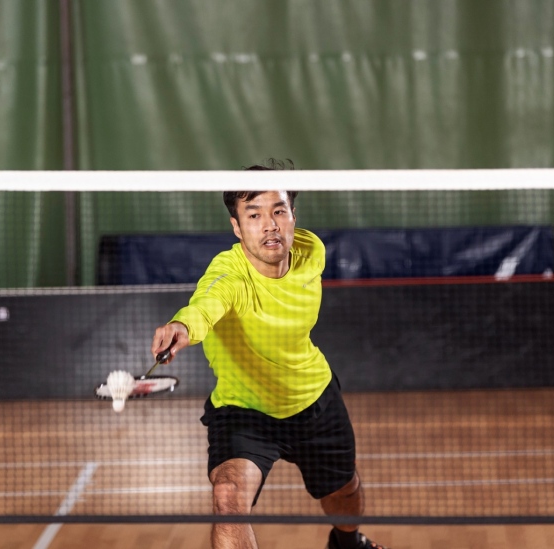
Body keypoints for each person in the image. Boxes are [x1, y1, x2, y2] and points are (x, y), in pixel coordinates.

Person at [150, 160, 388, 549]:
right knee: (228, 497)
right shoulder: (229, 275)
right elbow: (205, 305)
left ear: (294, 216)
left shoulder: (312, 251)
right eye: (254, 214)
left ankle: (348, 542)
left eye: (279, 211)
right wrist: (182, 327)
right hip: (245, 411)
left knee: (345, 491)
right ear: (236, 226)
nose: (270, 224)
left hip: (313, 399)